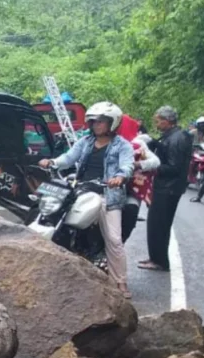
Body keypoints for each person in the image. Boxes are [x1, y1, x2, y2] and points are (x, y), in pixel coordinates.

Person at [39, 102, 135, 298]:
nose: (96, 125)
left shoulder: (122, 145)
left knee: (114, 240)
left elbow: (127, 165)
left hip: (108, 194)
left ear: (112, 123)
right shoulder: (85, 142)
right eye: (93, 121)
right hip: (81, 189)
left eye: (100, 121)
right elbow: (68, 158)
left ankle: (120, 281)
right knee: (59, 220)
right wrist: (52, 162)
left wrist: (120, 177)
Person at [141, 106, 193, 272]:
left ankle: (160, 261)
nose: (157, 125)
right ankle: (156, 257)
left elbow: (174, 167)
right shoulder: (173, 136)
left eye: (158, 121)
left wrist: (150, 166)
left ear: (167, 121)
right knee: (156, 224)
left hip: (168, 188)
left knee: (159, 224)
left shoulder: (177, 139)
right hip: (166, 187)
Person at [123, 136, 160, 243]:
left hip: (130, 188)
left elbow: (155, 161)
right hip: (105, 186)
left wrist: (138, 164)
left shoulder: (137, 144)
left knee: (131, 210)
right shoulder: (92, 140)